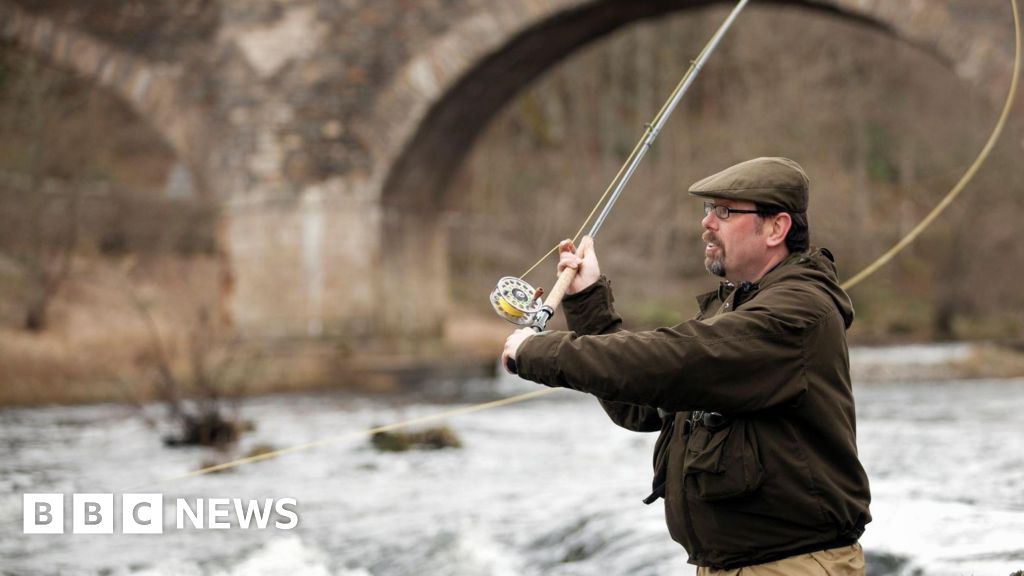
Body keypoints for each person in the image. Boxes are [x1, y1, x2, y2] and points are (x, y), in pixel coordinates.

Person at [501, 157, 871, 575]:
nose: (707, 223)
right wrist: (587, 302)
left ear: (776, 228)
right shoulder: (734, 306)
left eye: (725, 211)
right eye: (707, 210)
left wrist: (540, 351)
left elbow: (674, 359)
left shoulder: (797, 312)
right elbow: (639, 404)